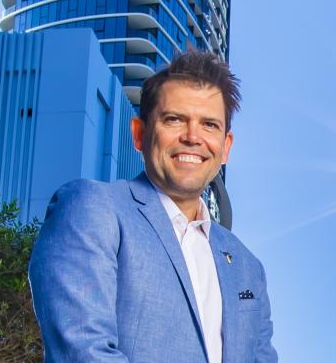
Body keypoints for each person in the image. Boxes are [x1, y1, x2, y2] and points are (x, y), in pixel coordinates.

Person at [29, 50, 277, 363]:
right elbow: (84, 351)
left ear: (225, 147)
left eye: (209, 125)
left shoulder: (246, 265)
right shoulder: (93, 209)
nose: (192, 137)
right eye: (174, 119)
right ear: (140, 134)